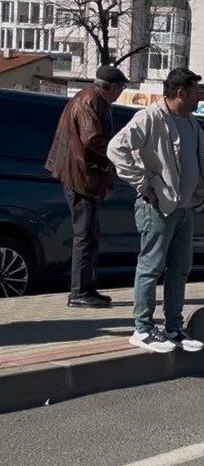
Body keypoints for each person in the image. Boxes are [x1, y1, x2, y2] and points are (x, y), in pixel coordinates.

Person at [108, 68, 204, 354]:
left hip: (184, 207)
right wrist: (144, 185)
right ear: (181, 93)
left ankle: (173, 328)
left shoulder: (191, 122)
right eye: (196, 93)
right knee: (150, 267)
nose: (199, 98)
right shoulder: (150, 118)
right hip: (157, 207)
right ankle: (142, 329)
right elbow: (116, 149)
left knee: (180, 269)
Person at [45, 66, 128, 308]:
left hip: (85, 177)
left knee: (90, 235)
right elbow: (93, 140)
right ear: (108, 87)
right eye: (121, 87)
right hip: (79, 177)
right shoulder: (89, 101)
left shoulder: (95, 100)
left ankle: (87, 288)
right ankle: (79, 292)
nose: (122, 92)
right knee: (84, 236)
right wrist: (119, 154)